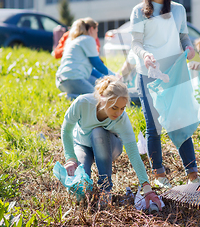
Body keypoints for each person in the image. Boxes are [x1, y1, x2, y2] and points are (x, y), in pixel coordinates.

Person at [130, 0, 200, 189]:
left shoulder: (178, 9)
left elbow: (184, 37)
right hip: (149, 72)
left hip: (175, 71)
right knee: (154, 127)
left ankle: (193, 175)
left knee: (180, 121)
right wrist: (146, 56)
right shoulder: (139, 11)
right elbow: (136, 44)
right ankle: (159, 174)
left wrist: (189, 48)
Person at [61, 75, 161, 209]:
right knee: (80, 190)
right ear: (102, 98)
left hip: (109, 147)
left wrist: (146, 186)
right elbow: (66, 129)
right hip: (83, 145)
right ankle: (87, 190)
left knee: (98, 132)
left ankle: (105, 188)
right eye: (114, 107)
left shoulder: (121, 119)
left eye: (122, 108)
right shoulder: (83, 103)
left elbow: (133, 152)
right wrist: (70, 159)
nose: (119, 112)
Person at [56, 18, 113, 100]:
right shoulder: (88, 39)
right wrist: (113, 76)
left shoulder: (75, 40)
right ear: (91, 29)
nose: (96, 35)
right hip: (73, 79)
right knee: (98, 99)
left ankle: (71, 94)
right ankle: (68, 97)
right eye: (96, 31)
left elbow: (91, 70)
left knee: (98, 86)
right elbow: (97, 64)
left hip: (62, 80)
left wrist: (105, 78)